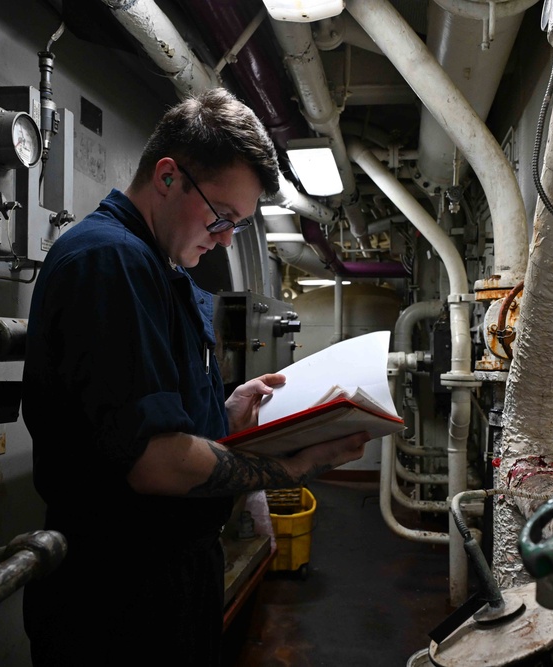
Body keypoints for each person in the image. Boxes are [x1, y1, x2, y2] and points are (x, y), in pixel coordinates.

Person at [20, 88, 368, 666]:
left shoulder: (161, 271)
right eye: (222, 217)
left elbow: (153, 413)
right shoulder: (110, 261)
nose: (226, 238)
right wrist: (291, 467)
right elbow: (154, 462)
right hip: (118, 600)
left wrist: (223, 414)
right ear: (167, 177)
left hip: (167, 580)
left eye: (238, 224)